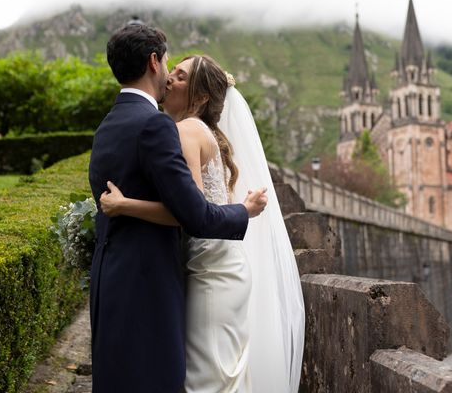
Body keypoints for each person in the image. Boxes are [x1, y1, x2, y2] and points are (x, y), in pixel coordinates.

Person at [100, 54, 305, 392]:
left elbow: (190, 212)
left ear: (201, 96)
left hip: (211, 275)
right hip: (223, 268)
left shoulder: (186, 131)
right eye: (173, 71)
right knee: (220, 373)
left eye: (180, 77)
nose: (169, 79)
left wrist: (125, 205)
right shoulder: (206, 131)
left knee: (206, 381)